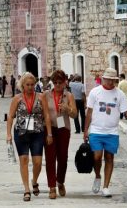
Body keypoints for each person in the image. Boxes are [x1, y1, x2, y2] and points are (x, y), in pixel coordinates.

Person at [84, 68, 127, 197]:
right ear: (103, 79)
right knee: (97, 157)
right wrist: (85, 130)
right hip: (96, 131)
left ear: (115, 80)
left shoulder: (119, 94)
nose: (110, 82)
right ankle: (98, 176)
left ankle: (106, 187)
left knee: (109, 158)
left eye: (112, 80)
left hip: (112, 132)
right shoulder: (94, 92)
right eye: (107, 79)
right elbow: (89, 112)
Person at [6, 72, 53, 202]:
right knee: (24, 160)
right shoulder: (17, 98)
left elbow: (47, 115)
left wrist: (49, 133)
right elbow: (10, 116)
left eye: (32, 84)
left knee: (37, 162)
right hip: (21, 133)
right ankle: (27, 189)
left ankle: (34, 180)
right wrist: (8, 134)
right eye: (27, 85)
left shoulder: (41, 96)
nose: (30, 87)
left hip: (37, 132)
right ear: (23, 85)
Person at [44, 69, 77, 199]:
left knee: (63, 158)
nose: (58, 85)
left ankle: (60, 182)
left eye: (60, 82)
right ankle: (52, 186)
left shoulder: (68, 96)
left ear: (65, 82)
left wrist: (67, 109)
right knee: (50, 158)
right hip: (50, 128)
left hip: (63, 128)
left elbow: (75, 115)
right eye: (55, 82)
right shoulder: (46, 95)